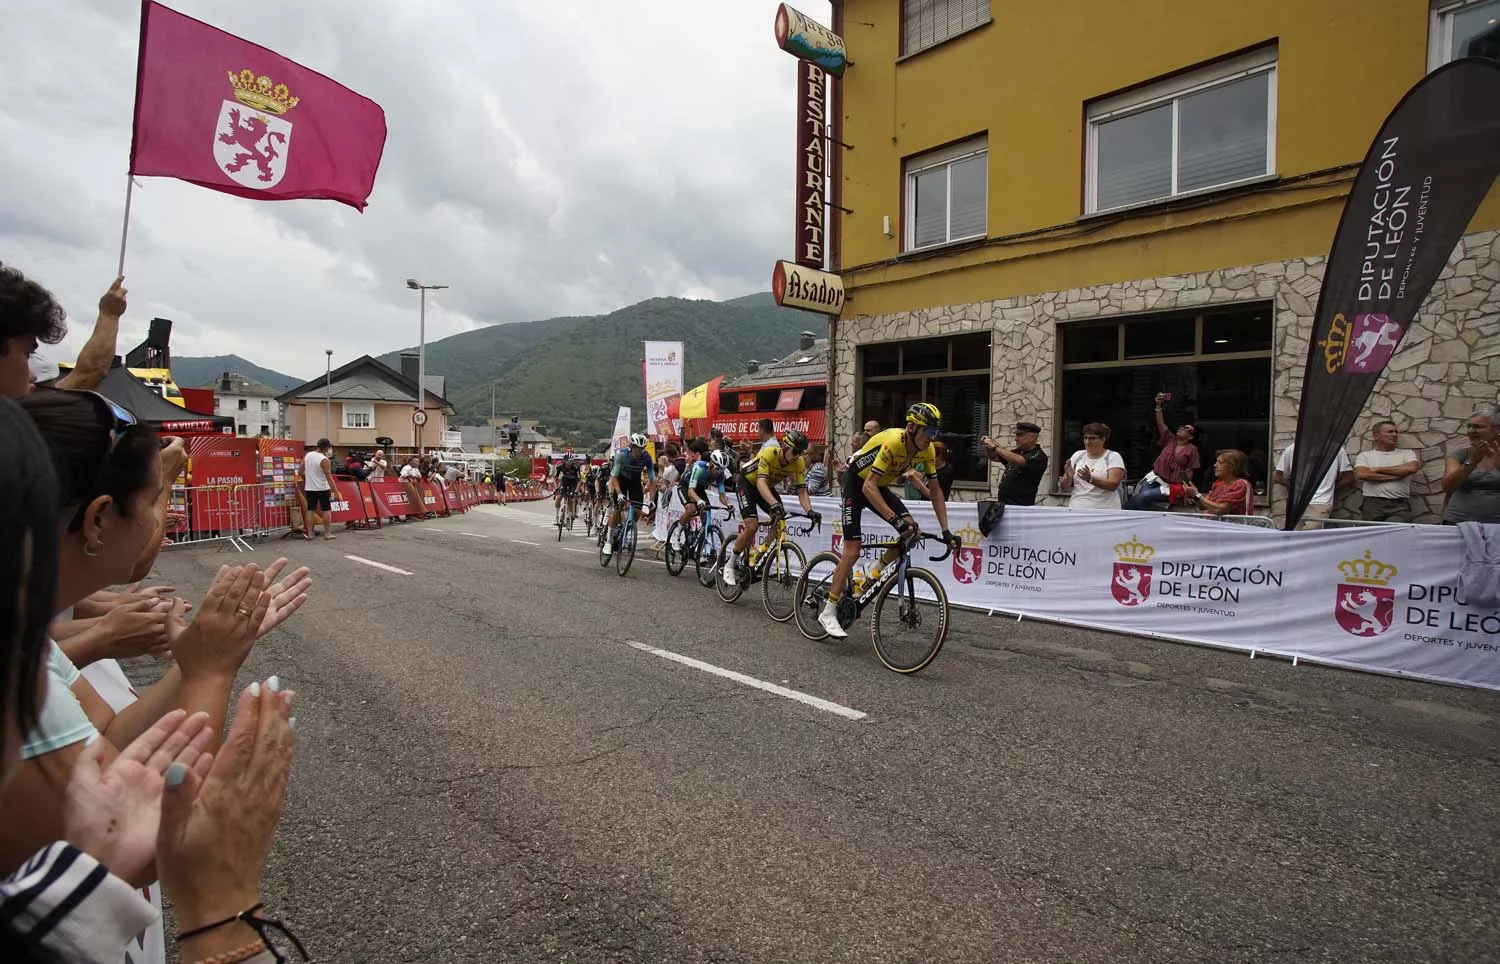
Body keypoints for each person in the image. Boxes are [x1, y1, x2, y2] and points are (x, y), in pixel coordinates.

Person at [4, 390, 306, 964]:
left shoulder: (27, 638)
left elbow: (106, 745)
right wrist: (220, 897)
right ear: (97, 519)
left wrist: (204, 661)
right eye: (153, 496)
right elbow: (96, 830)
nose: (162, 515)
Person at [820, 404, 959, 638]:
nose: (931, 438)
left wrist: (947, 531)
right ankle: (829, 611)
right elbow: (867, 486)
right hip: (856, 484)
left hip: (879, 486)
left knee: (912, 530)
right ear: (912, 427)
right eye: (928, 432)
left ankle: (875, 569)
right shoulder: (894, 442)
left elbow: (935, 492)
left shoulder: (928, 451)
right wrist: (895, 520)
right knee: (852, 551)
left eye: (935, 433)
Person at [723, 429, 821, 588]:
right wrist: (774, 504)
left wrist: (809, 510)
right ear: (785, 447)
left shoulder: (798, 463)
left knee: (779, 518)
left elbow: (802, 490)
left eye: (800, 453)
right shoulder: (769, 454)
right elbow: (760, 483)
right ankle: (730, 562)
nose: (797, 456)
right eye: (795, 451)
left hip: (765, 487)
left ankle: (761, 552)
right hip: (747, 483)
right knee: (752, 525)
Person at [1124, 396, 1200, 510]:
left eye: (1186, 429)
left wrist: (1187, 488)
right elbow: (1160, 424)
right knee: (1141, 500)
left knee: (1144, 496)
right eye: (1182, 427)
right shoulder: (1170, 439)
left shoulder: (1192, 449)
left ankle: (1123, 513)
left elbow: (1190, 470)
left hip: (1172, 485)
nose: (1182, 428)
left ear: (1191, 436)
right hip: (1155, 477)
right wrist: (1158, 406)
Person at [1274, 442, 1353, 529]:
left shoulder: (1336, 449)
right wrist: (1294, 489)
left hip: (1321, 501)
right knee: (1295, 535)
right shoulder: (1292, 449)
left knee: (1311, 534)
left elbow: (1349, 477)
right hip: (1297, 502)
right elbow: (1278, 476)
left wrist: (1330, 487)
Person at [1442, 407, 1500, 525]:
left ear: (1497, 429)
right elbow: (1448, 487)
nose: (1471, 431)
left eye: (1478, 427)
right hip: (1457, 522)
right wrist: (1471, 462)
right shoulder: (1460, 455)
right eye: (1469, 426)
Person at [1355, 420, 1420, 522]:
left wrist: (1378, 469)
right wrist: (1397, 476)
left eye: (1396, 432)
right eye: (1390, 432)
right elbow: (1362, 474)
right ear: (1376, 436)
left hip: (1399, 504)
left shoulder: (1407, 454)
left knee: (1396, 533)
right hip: (1373, 503)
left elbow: (1412, 468)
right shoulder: (1365, 455)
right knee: (1372, 534)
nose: (1394, 434)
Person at [602, 434, 656, 557]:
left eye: (642, 448)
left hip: (635, 482)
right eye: (637, 448)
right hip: (621, 481)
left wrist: (652, 499)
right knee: (617, 508)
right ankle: (608, 541)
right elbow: (614, 477)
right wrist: (620, 493)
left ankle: (626, 529)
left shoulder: (646, 457)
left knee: (637, 511)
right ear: (631, 446)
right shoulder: (622, 455)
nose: (639, 451)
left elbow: (653, 480)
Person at [1059, 423, 1127, 509]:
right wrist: (1068, 477)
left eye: (1092, 438)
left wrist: (1090, 479)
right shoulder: (1077, 455)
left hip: (1105, 510)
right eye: (1085, 438)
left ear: (1103, 439)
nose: (1088, 442)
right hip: (1078, 507)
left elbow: (1113, 485)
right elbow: (1063, 488)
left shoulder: (1113, 456)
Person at [983, 421, 1048, 506]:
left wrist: (995, 447)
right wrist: (988, 448)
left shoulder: (1039, 455)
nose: (1016, 438)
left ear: (1032, 437)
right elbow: (994, 457)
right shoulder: (1017, 452)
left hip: (1020, 506)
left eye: (1020, 435)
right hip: (1004, 503)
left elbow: (1021, 461)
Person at [1183, 449, 1255, 517]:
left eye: (1220, 462)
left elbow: (1221, 509)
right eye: (1216, 462)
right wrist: (1194, 495)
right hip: (1216, 527)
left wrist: (1197, 495)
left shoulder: (1241, 484)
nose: (1215, 465)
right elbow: (1202, 506)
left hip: (1236, 528)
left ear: (1233, 467)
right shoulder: (1218, 484)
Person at [302, 438, 335, 540]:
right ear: (326, 447)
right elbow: (329, 478)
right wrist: (335, 491)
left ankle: (310, 533)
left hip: (310, 487)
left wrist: (305, 476)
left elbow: (300, 469)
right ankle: (327, 533)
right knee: (326, 509)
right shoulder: (324, 460)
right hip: (322, 488)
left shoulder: (308, 455)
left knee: (310, 510)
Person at [553, 453, 581, 518]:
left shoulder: (576, 467)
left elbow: (579, 481)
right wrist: (556, 487)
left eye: (571, 461)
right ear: (564, 461)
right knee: (559, 497)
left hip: (573, 482)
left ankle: (570, 515)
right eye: (568, 461)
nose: (569, 463)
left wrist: (576, 490)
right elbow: (555, 478)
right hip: (564, 481)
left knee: (571, 499)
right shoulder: (560, 466)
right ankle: (556, 516)